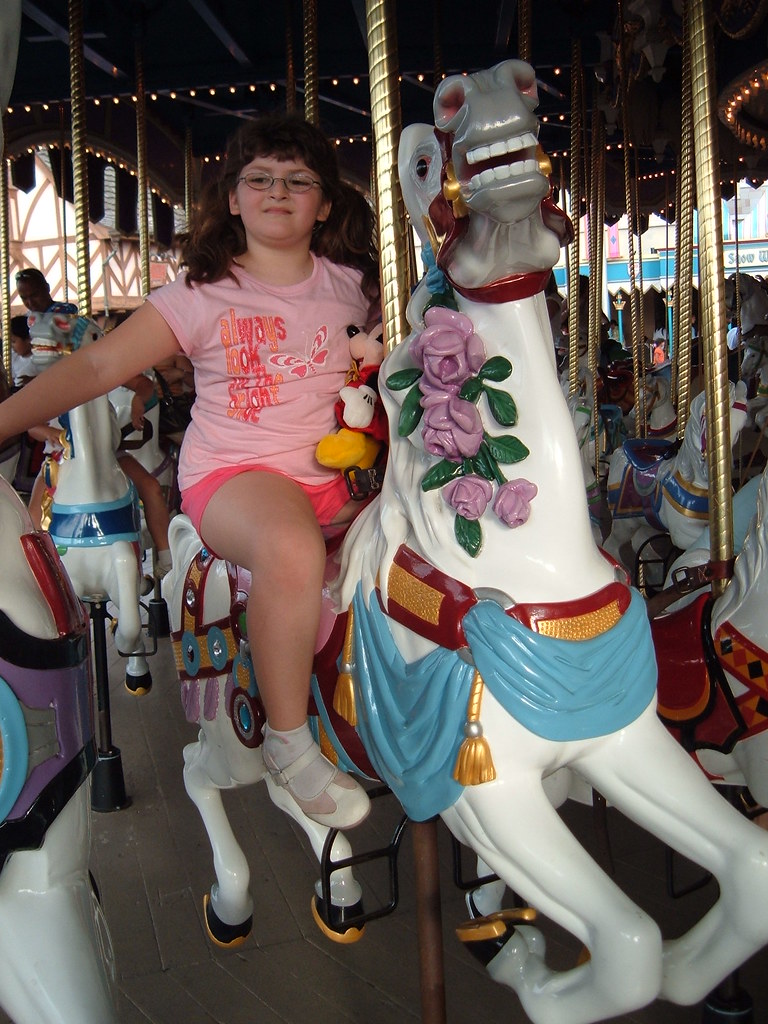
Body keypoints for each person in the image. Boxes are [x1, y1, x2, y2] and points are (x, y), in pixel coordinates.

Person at [0, 113, 378, 830]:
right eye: (259, 178)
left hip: (338, 475)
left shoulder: (352, 286)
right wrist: (7, 419)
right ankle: (290, 745)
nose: (278, 191)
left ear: (325, 204)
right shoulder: (198, 295)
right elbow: (102, 363)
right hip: (237, 477)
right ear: (231, 199)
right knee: (291, 547)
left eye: (299, 181)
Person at [9, 314, 38, 388]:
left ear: (28, 339)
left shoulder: (39, 358)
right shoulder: (13, 357)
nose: (11, 345)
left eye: (13, 341)